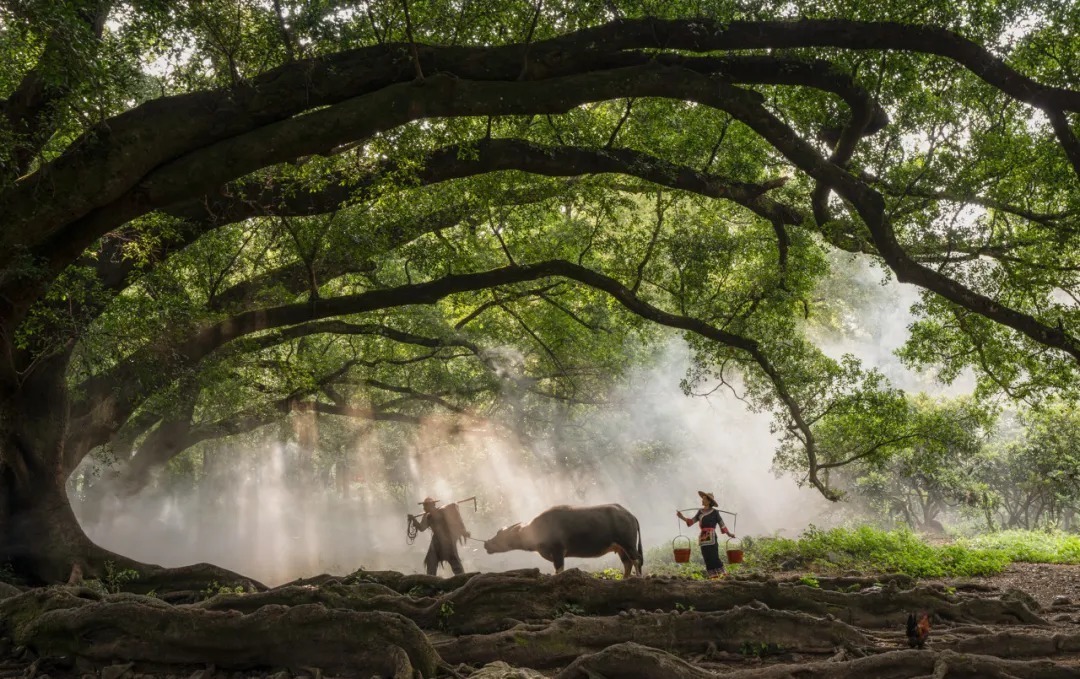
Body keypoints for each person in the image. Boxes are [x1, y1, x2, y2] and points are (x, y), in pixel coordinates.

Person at [677, 490, 735, 579]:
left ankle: (723, 575)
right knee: (706, 556)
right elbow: (691, 521)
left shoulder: (715, 513)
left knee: (714, 555)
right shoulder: (700, 512)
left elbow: (722, 524)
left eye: (704, 499)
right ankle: (713, 576)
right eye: (702, 499)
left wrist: (729, 534)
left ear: (709, 501)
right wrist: (681, 517)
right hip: (703, 538)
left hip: (712, 537)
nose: (702, 501)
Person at [410, 497, 470, 576]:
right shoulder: (427, 516)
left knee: (455, 562)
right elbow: (422, 528)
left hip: (448, 541)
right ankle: (431, 581)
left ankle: (462, 579)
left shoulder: (443, 511)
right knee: (431, 561)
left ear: (432, 505)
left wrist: (463, 531)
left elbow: (455, 520)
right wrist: (413, 520)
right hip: (436, 542)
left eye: (426, 505)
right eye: (424, 506)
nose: (424, 508)